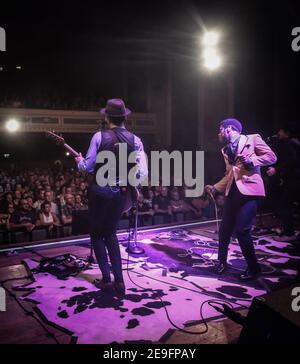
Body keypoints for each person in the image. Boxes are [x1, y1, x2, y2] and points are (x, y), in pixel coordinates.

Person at [75, 98, 148, 294]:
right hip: (120, 193)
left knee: (97, 235)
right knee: (111, 234)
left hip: (101, 190)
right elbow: (142, 172)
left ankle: (107, 279)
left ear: (107, 117)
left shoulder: (99, 137)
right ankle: (120, 281)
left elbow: (86, 167)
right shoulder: (136, 140)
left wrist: (79, 160)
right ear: (125, 117)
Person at [205, 118, 277, 280]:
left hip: (250, 190)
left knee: (242, 231)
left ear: (229, 128)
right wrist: (216, 187)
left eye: (221, 129)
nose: (219, 133)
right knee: (224, 231)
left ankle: (254, 269)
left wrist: (253, 160)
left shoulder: (252, 139)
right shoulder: (225, 150)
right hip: (233, 192)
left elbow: (272, 157)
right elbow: (230, 173)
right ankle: (222, 262)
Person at [266, 126, 300, 242]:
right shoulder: (292, 143)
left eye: (280, 131)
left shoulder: (289, 143)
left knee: (285, 205)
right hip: (292, 180)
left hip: (293, 180)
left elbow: (292, 161)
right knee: (285, 205)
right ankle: (287, 230)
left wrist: (276, 170)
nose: (278, 133)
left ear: (287, 133)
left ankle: (289, 233)